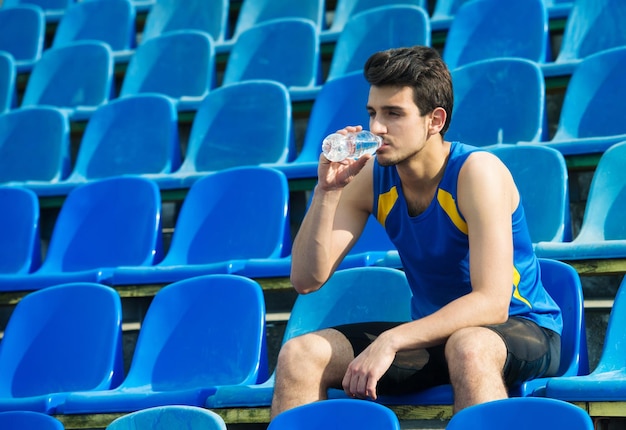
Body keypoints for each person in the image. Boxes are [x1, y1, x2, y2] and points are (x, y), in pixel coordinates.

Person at [270, 45, 563, 418]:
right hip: (435, 337)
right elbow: (306, 279)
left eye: (394, 114)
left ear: (435, 120)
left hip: (521, 328)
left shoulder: (477, 172)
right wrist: (326, 192)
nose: (376, 128)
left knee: (470, 345)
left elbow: (492, 302)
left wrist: (392, 340)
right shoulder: (371, 177)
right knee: (300, 354)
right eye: (373, 113)